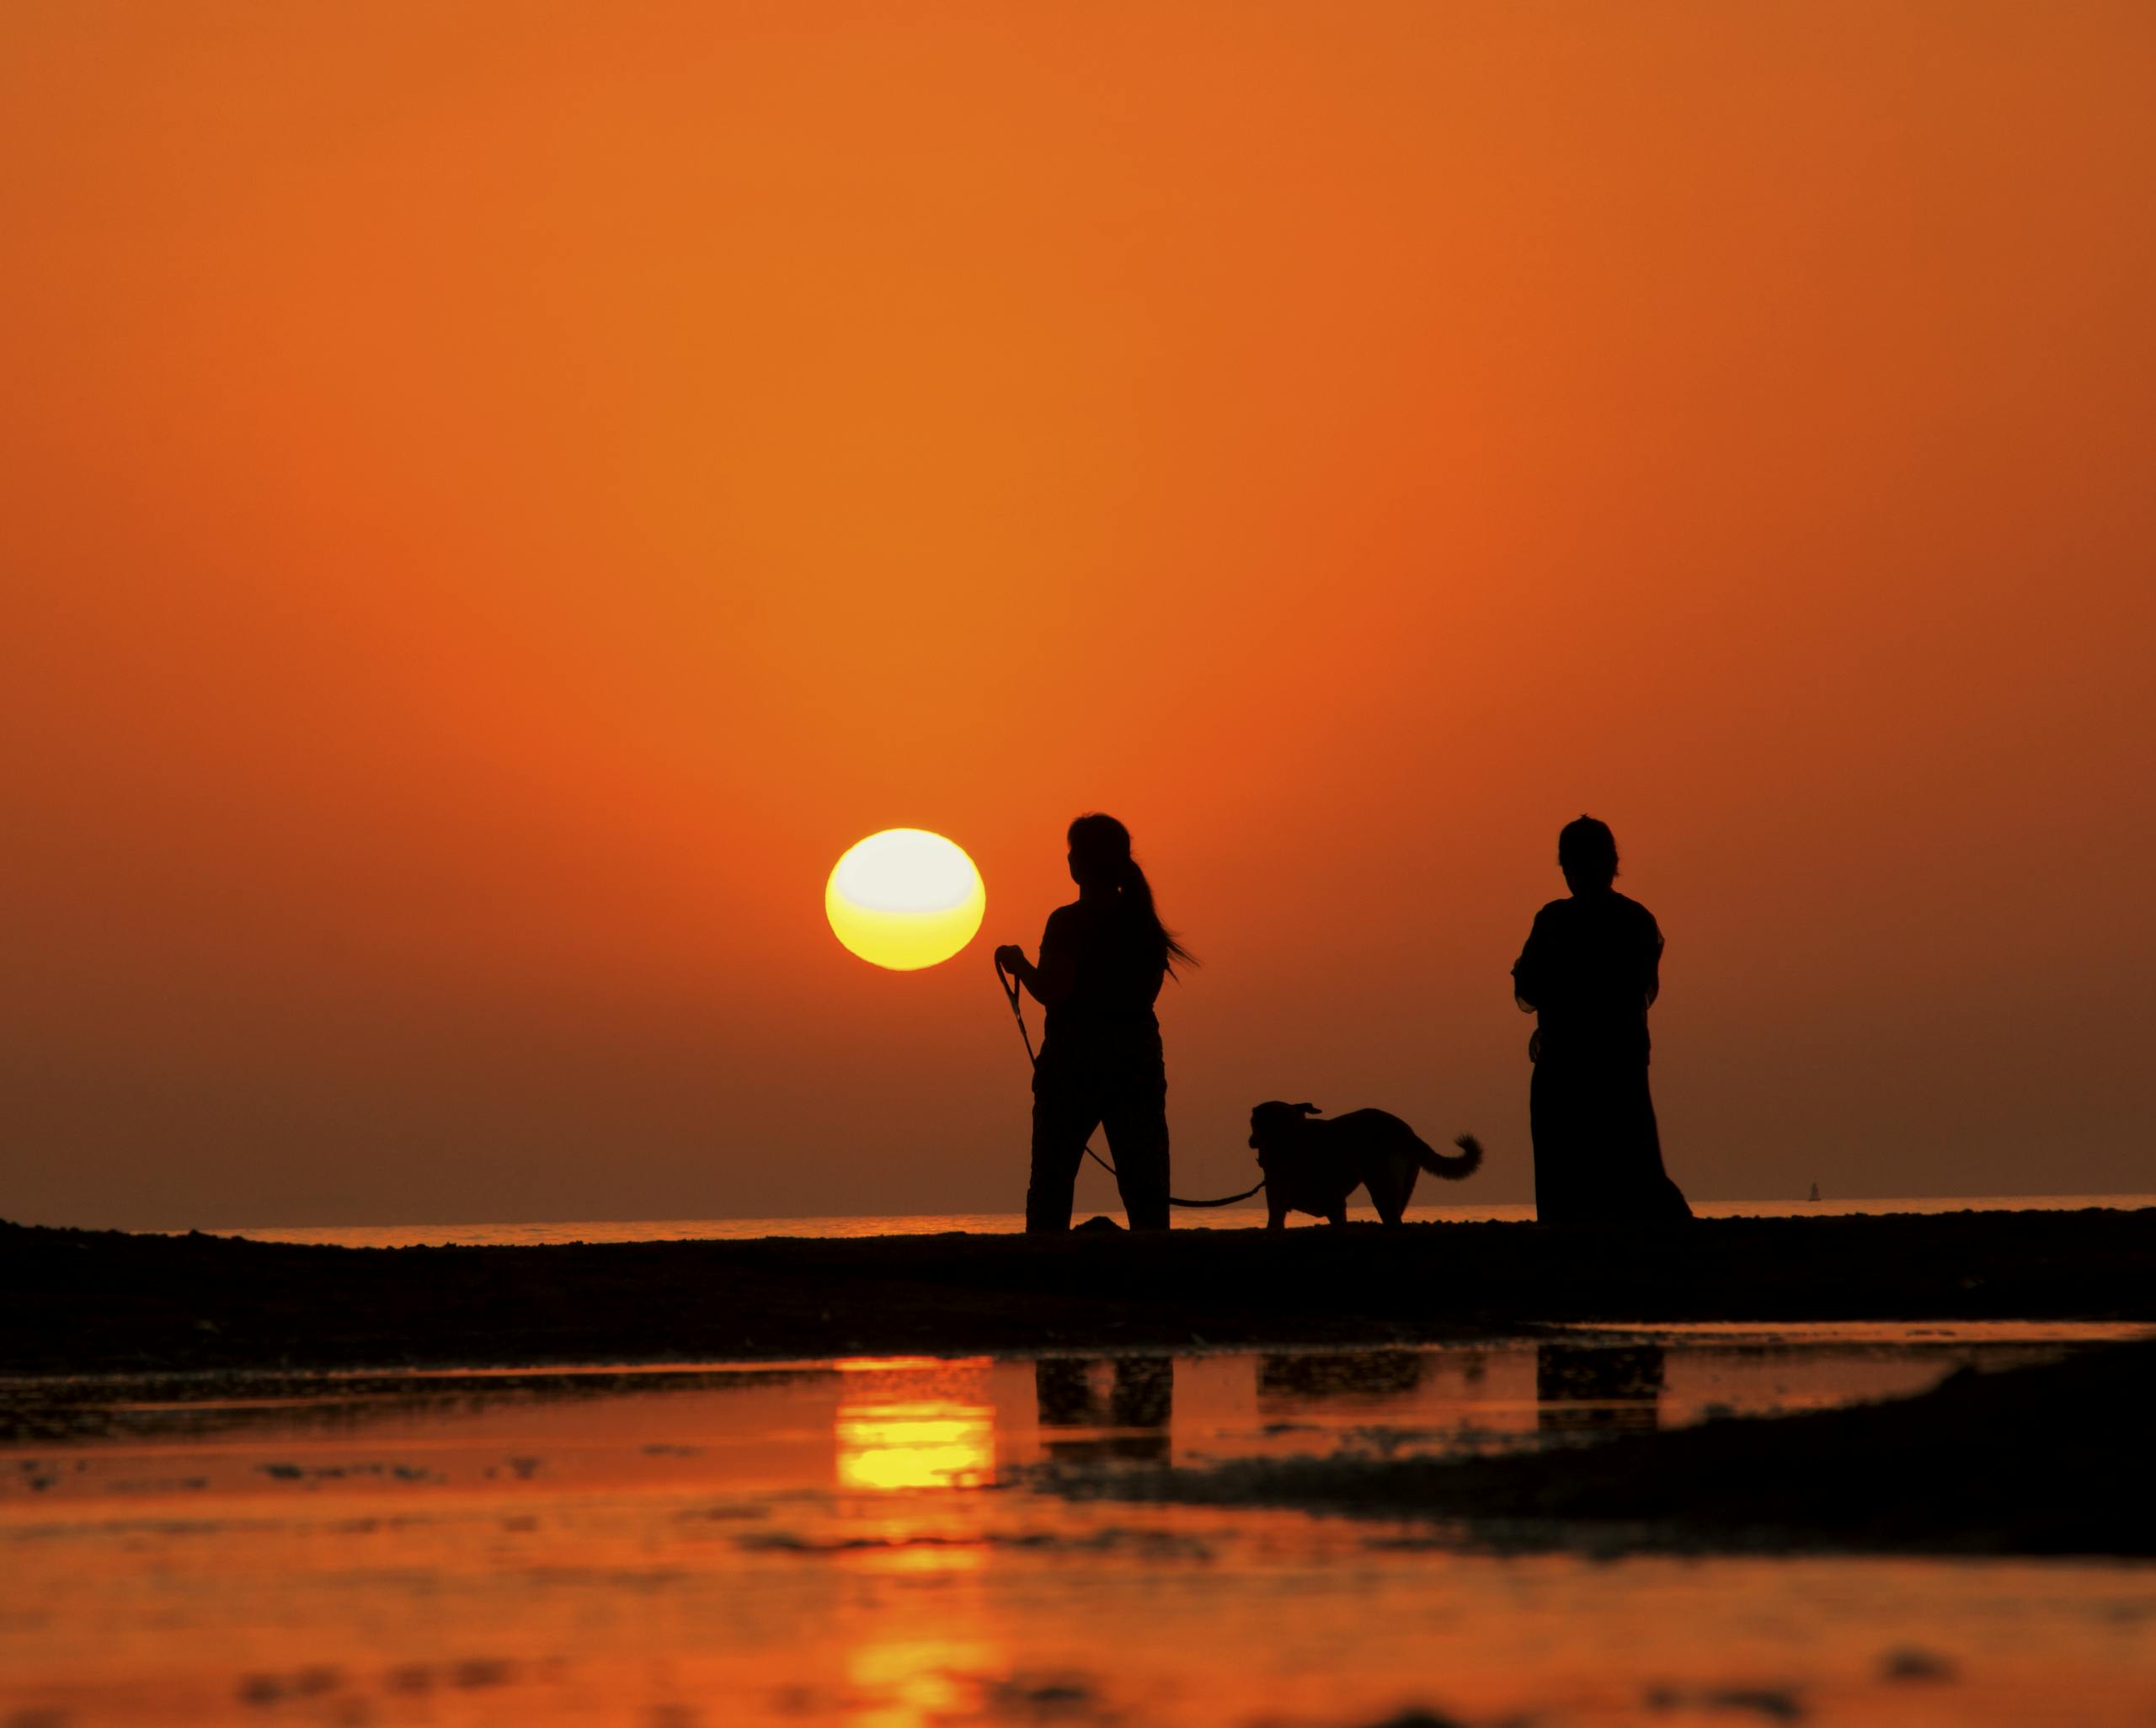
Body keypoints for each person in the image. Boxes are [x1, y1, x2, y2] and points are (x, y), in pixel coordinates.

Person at [994, 813, 1193, 1232]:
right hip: (1136, 1058)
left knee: (1052, 1178)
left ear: (1079, 863)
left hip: (1074, 1061)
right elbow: (1144, 993)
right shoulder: (1143, 923)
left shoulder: (1068, 922)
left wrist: (1019, 964)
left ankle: (1046, 1271)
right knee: (1145, 1181)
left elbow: (1053, 990)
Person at [1511, 816, 1690, 1224]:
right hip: (1607, 1065)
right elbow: (1638, 989)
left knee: (1585, 1179)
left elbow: (1531, 987)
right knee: (1625, 1172)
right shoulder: (1632, 920)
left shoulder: (1564, 922)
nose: (1575, 874)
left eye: (1578, 863)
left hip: (1587, 1067)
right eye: (1570, 865)